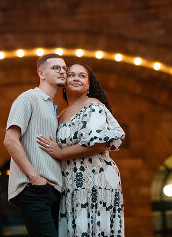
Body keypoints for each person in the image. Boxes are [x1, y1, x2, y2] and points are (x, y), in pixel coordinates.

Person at [37, 63, 126, 237]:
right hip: (70, 182)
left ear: (89, 84)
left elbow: (99, 143)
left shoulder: (93, 105)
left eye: (82, 76)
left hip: (95, 178)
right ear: (64, 81)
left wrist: (61, 153)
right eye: (71, 75)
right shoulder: (61, 114)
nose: (76, 78)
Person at [2, 53, 68, 237]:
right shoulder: (28, 98)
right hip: (34, 190)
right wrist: (34, 177)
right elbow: (10, 140)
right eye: (56, 68)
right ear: (41, 73)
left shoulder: (51, 108)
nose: (62, 71)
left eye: (64, 68)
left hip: (53, 192)